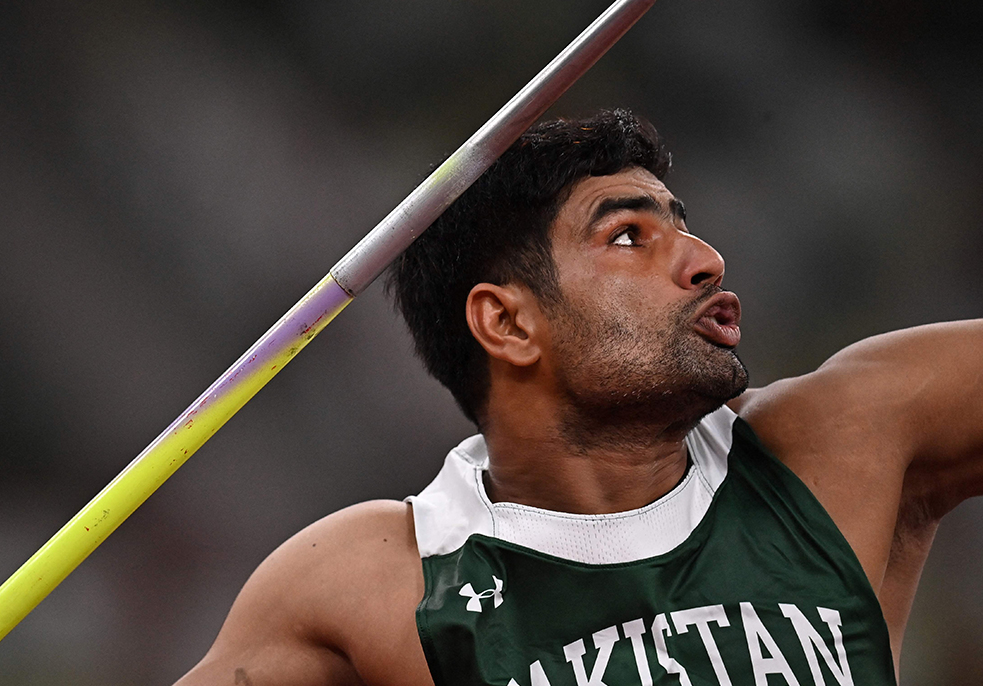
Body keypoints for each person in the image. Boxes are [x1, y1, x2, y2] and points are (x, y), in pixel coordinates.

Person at [175, 109, 982, 686]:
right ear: (507, 322)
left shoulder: (840, 441)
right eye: (629, 236)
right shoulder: (378, 583)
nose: (706, 259)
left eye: (683, 224)